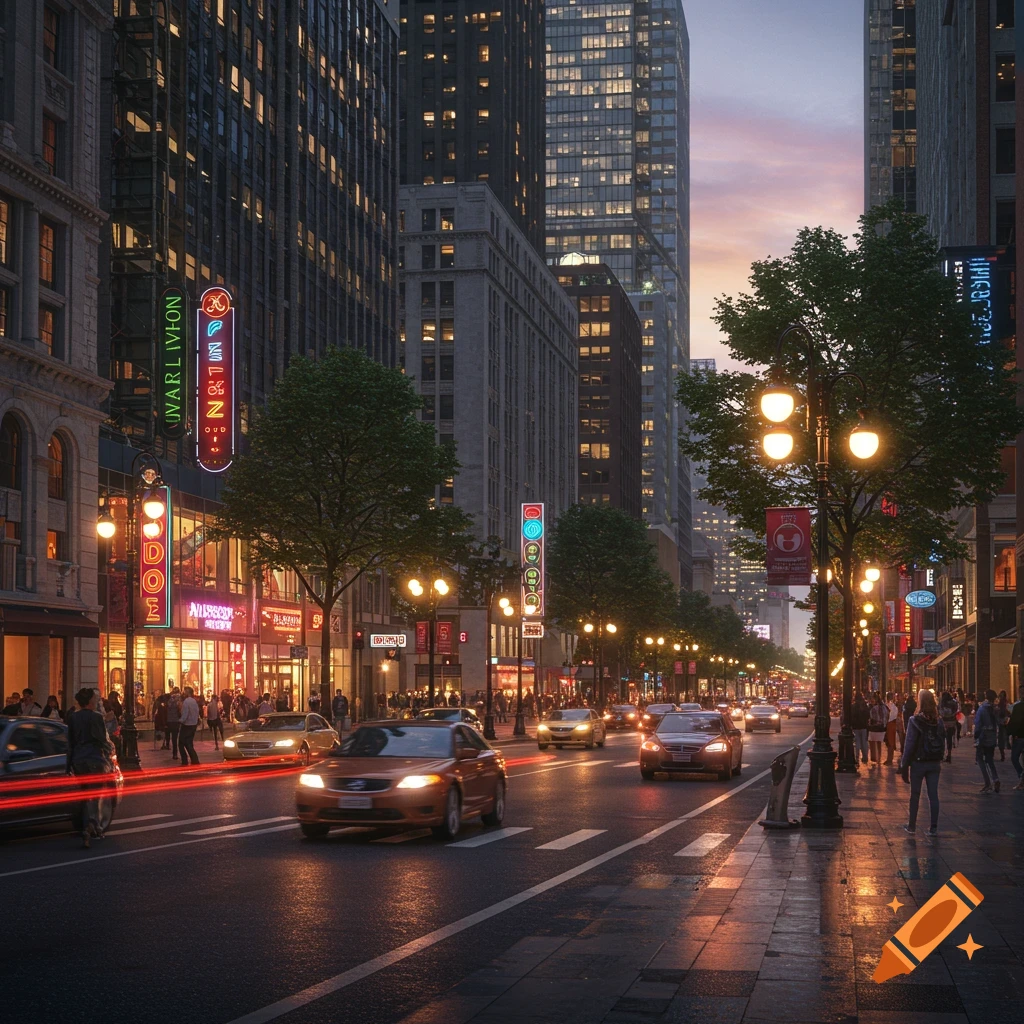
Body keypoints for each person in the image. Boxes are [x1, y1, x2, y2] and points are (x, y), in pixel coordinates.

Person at [66, 686, 115, 848]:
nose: (96, 702)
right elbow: (101, 739)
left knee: (87, 793)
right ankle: (90, 826)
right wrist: (109, 755)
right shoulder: (96, 717)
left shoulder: (73, 717)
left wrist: (69, 765)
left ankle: (92, 825)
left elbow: (70, 742)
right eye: (94, 699)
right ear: (89, 701)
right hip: (94, 758)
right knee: (94, 794)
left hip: (78, 760)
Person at [900, 687, 945, 836]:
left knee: (915, 794)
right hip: (934, 762)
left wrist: (904, 764)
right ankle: (934, 827)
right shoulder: (938, 721)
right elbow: (943, 741)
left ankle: (912, 826)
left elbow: (909, 744)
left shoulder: (915, 721)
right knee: (933, 795)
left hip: (919, 762)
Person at [974, 688, 1001, 794]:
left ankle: (987, 782)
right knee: (990, 759)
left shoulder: (982, 708)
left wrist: (976, 736)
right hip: (992, 736)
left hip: (983, 737)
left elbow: (978, 723)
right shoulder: (995, 709)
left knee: (980, 759)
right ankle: (996, 779)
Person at [178, 686, 200, 766]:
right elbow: (197, 712)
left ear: (187, 693)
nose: (183, 693)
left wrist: (180, 721)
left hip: (186, 725)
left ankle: (185, 760)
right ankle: (194, 759)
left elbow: (185, 714)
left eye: (184, 692)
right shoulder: (194, 701)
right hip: (193, 724)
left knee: (181, 743)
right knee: (189, 743)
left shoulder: (186, 702)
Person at [1006, 692, 1024, 790]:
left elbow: (1014, 722)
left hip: (1019, 737)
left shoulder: (1018, 707)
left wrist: (1009, 732)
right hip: (1019, 736)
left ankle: (1022, 778)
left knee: (1014, 758)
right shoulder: (1017, 706)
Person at [867, 692, 888, 764]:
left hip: (874, 728)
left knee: (872, 742)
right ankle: (879, 757)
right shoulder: (884, 707)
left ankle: (874, 758)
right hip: (882, 728)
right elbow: (886, 716)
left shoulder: (874, 708)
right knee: (879, 743)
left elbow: (871, 718)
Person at [939, 691, 959, 763]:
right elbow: (956, 711)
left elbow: (940, 712)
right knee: (949, 739)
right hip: (952, 723)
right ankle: (949, 755)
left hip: (943, 723)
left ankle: (942, 754)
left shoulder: (942, 703)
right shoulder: (954, 703)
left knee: (941, 739)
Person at [851, 691, 869, 764]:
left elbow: (852, 716)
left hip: (856, 726)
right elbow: (868, 715)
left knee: (857, 742)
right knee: (864, 742)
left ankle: (857, 758)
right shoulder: (865, 705)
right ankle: (865, 757)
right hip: (864, 726)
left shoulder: (853, 706)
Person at [884, 692, 902, 766]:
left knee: (890, 742)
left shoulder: (890, 706)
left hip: (890, 724)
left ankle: (889, 759)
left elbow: (890, 716)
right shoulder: (891, 705)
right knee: (890, 742)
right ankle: (889, 758)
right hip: (891, 724)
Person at [166, 687, 182, 759]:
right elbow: (180, 710)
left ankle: (168, 745)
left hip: (169, 720)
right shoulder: (179, 700)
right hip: (176, 721)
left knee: (172, 736)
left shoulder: (169, 700)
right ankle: (176, 753)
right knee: (176, 737)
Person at [996, 690, 1010, 761]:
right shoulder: (1006, 702)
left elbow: (1001, 712)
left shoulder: (1000, 703)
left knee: (1001, 738)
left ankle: (1003, 754)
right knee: (1004, 736)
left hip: (1001, 722)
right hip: (1005, 721)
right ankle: (1006, 746)